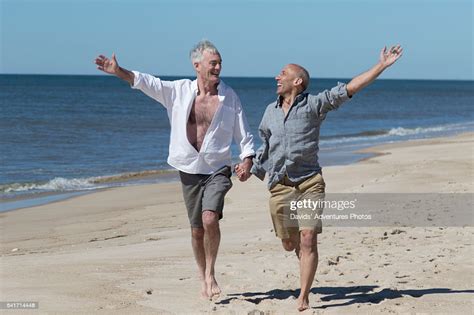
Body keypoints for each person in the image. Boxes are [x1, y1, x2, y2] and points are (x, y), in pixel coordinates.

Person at [236, 45, 403, 311]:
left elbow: (350, 89)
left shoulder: (314, 104)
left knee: (307, 238)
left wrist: (381, 65)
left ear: (297, 81)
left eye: (283, 74)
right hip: (280, 185)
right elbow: (265, 148)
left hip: (310, 182)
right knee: (289, 243)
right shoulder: (270, 112)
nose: (277, 78)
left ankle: (303, 296)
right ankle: (294, 251)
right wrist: (249, 168)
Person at [94, 40, 255, 299]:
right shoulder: (178, 91)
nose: (218, 67)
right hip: (188, 167)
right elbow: (147, 82)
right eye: (213, 63)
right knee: (196, 230)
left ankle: (211, 273)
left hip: (217, 168)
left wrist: (247, 160)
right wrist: (119, 71)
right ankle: (202, 275)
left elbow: (244, 134)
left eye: (220, 63)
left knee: (209, 218)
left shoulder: (229, 97)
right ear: (197, 65)